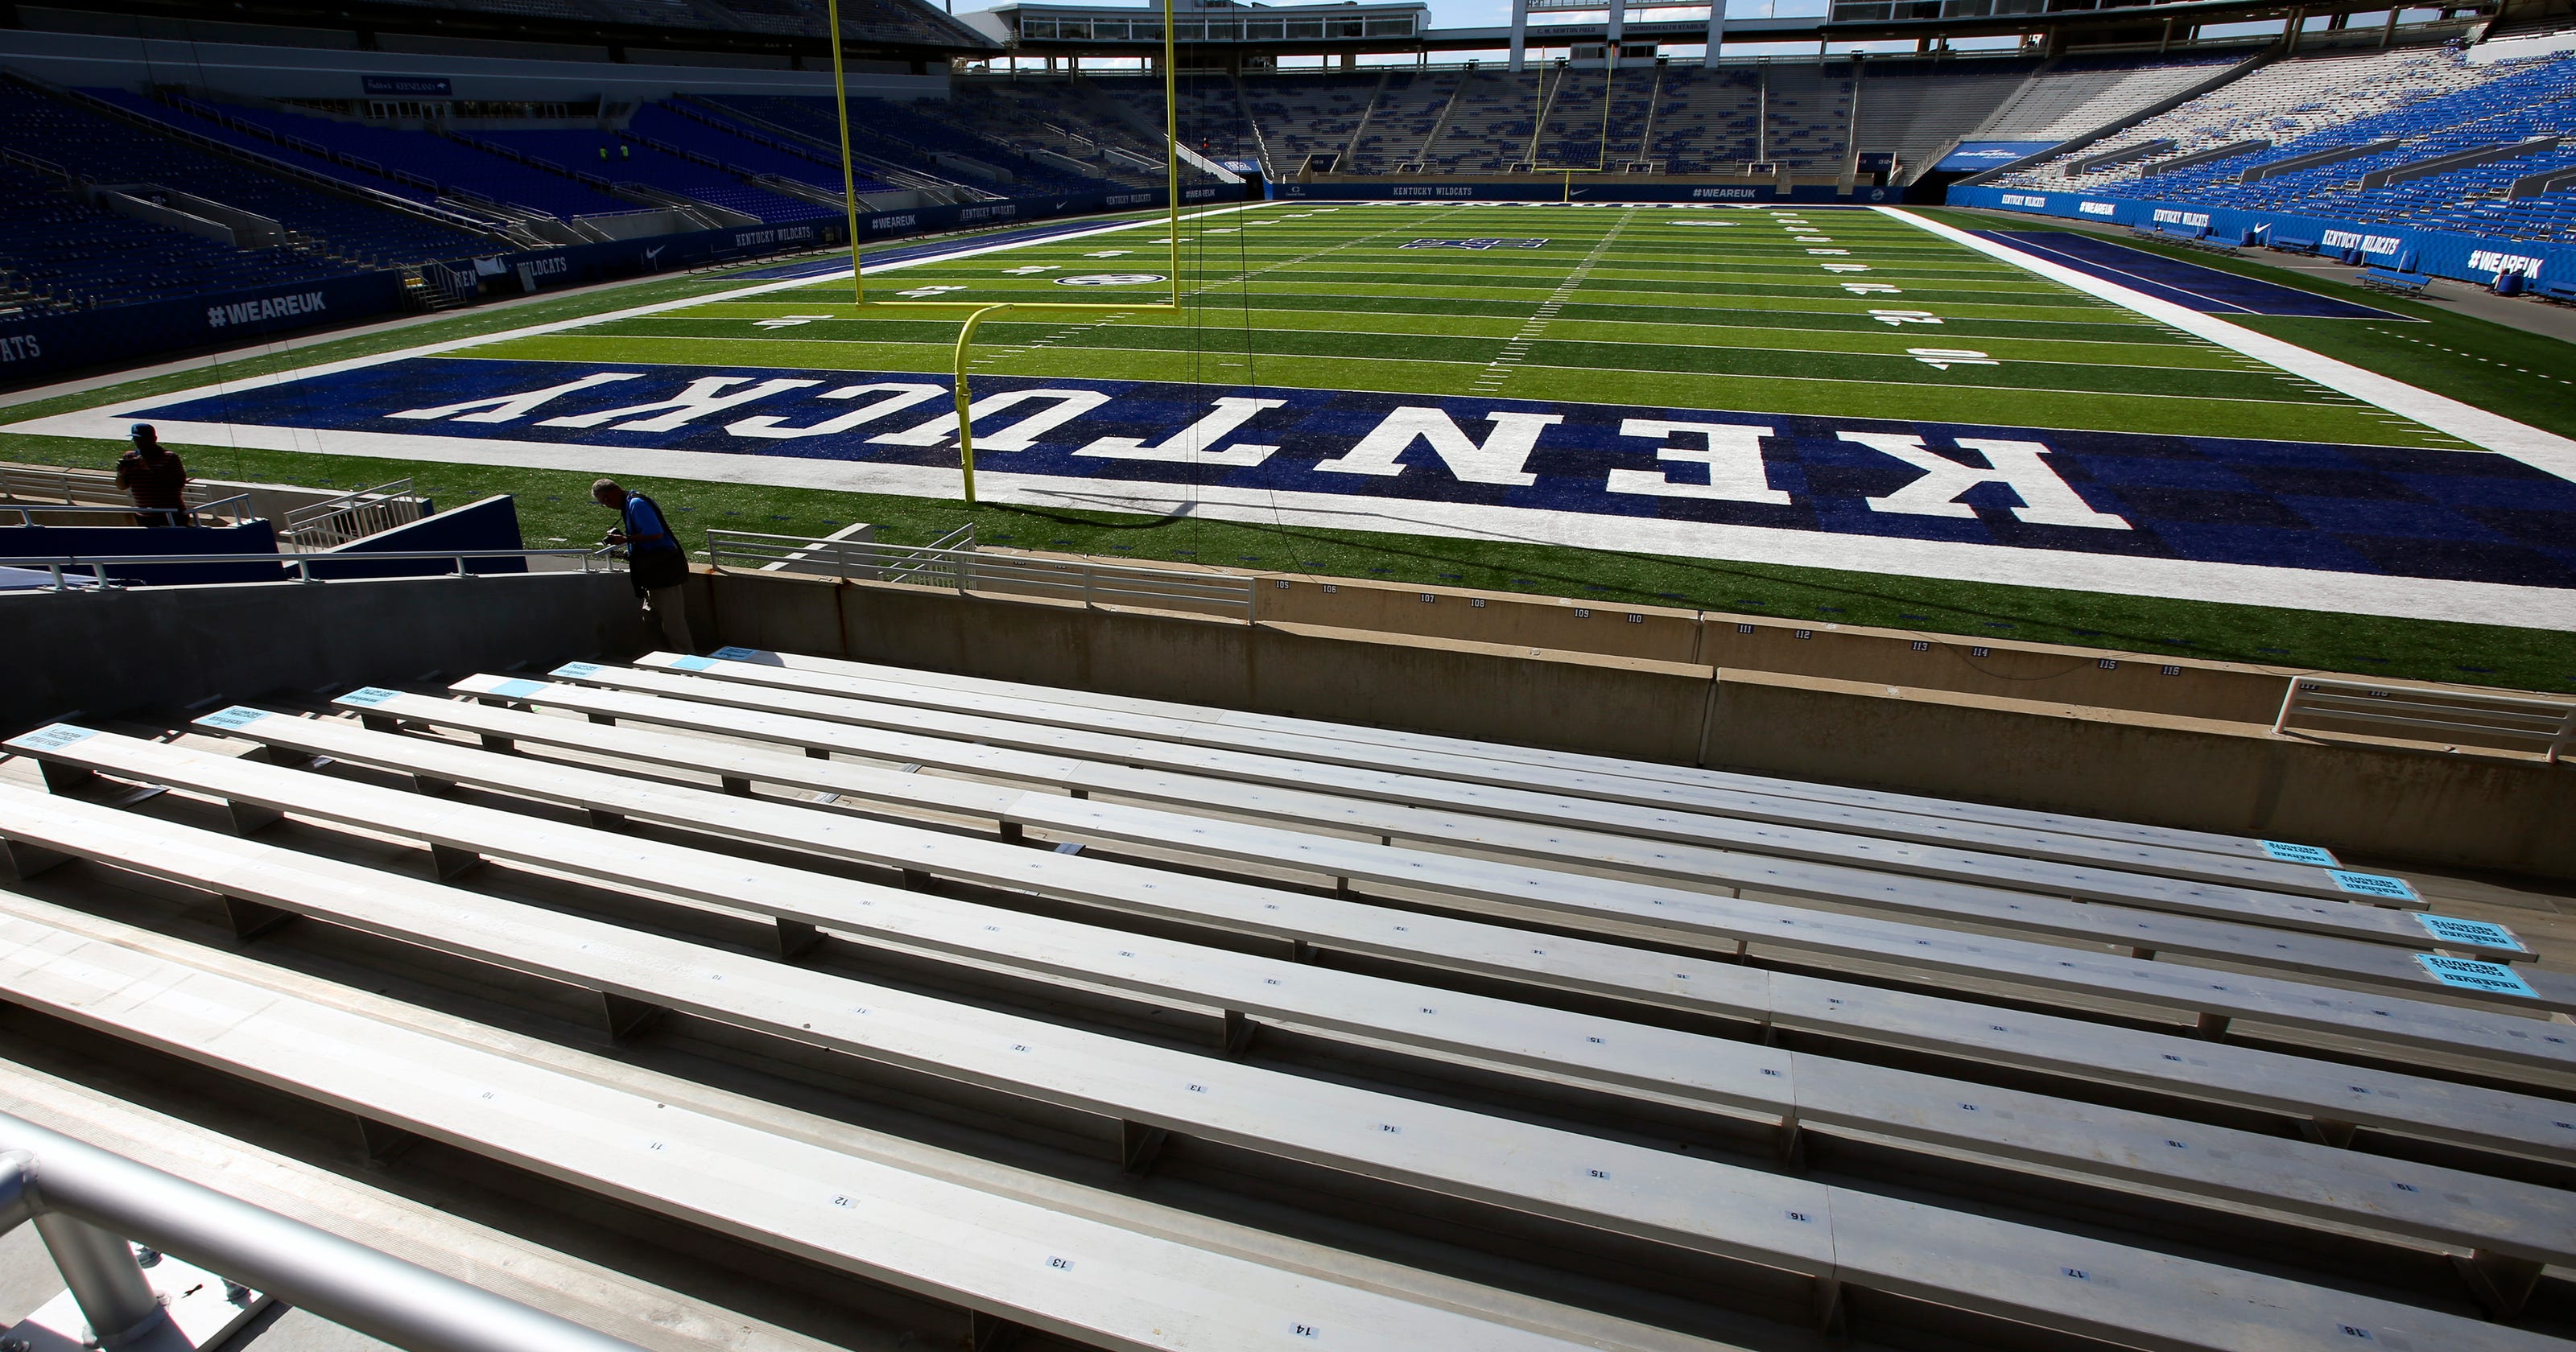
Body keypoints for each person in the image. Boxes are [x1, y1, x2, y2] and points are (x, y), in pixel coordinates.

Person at [593, 477, 695, 652]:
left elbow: (655, 533)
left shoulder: (637, 504)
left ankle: (688, 660)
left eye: (604, 502)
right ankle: (663, 657)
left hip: (662, 571)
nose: (607, 506)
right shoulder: (631, 504)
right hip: (651, 572)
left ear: (609, 497)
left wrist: (626, 539)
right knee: (649, 617)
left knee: (673, 621)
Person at [114, 424, 189, 527]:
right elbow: (122, 486)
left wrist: (150, 469)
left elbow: (179, 483)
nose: (139, 443)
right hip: (145, 515)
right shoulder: (130, 457)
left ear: (154, 439)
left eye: (143, 439)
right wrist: (121, 474)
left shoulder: (170, 457)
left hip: (171, 514)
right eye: (136, 439)